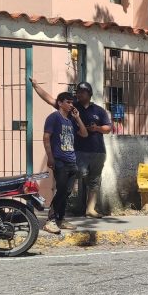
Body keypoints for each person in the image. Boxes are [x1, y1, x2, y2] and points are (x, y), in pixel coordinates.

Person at [31, 78, 112, 217]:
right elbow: (51, 100)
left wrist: (96, 128)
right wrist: (36, 86)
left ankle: (90, 209)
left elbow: (108, 128)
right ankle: (58, 211)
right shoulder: (71, 108)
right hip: (77, 152)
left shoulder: (99, 110)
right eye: (78, 92)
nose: (79, 94)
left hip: (98, 151)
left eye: (82, 92)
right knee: (68, 183)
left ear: (89, 94)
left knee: (94, 180)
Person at [42, 92, 89, 233]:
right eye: (68, 102)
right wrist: (50, 157)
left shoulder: (71, 121)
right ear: (60, 103)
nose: (71, 105)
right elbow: (46, 138)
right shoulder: (54, 118)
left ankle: (60, 219)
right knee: (61, 190)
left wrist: (78, 118)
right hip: (59, 160)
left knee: (67, 191)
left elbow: (85, 133)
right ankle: (50, 221)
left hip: (71, 161)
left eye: (72, 102)